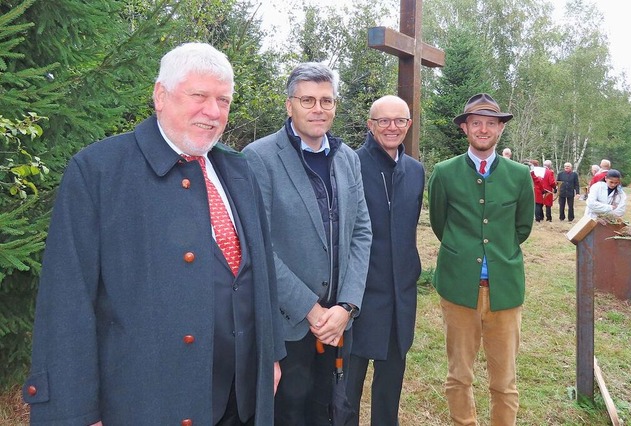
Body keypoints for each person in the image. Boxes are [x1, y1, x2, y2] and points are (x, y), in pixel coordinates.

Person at [23, 43, 285, 426]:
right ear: (160, 96)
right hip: (149, 400)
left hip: (241, 396)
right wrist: (76, 411)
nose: (213, 112)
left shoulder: (238, 169)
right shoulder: (98, 172)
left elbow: (261, 275)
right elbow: (66, 302)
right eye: (199, 96)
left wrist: (271, 354)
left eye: (223, 101)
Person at [242, 62, 372, 425]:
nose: (318, 108)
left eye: (326, 101)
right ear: (289, 105)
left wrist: (347, 304)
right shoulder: (260, 158)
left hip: (338, 321)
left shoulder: (347, 159)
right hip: (290, 323)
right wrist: (311, 310)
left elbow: (362, 232)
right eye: (308, 100)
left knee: (328, 409)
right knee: (289, 411)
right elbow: (258, 245)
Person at [428, 93, 534, 426]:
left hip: (504, 290)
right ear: (465, 128)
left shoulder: (519, 175)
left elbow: (522, 227)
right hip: (459, 289)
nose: (483, 129)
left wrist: (497, 255)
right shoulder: (445, 173)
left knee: (504, 381)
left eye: (491, 123)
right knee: (459, 375)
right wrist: (465, 254)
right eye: (476, 123)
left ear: (500, 129)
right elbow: (439, 223)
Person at [345, 96, 424, 425]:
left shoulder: (416, 171)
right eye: (383, 121)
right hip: (357, 297)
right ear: (370, 125)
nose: (392, 127)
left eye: (399, 121)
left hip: (399, 299)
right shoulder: (349, 164)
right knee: (346, 391)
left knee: (390, 387)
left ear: (408, 125)